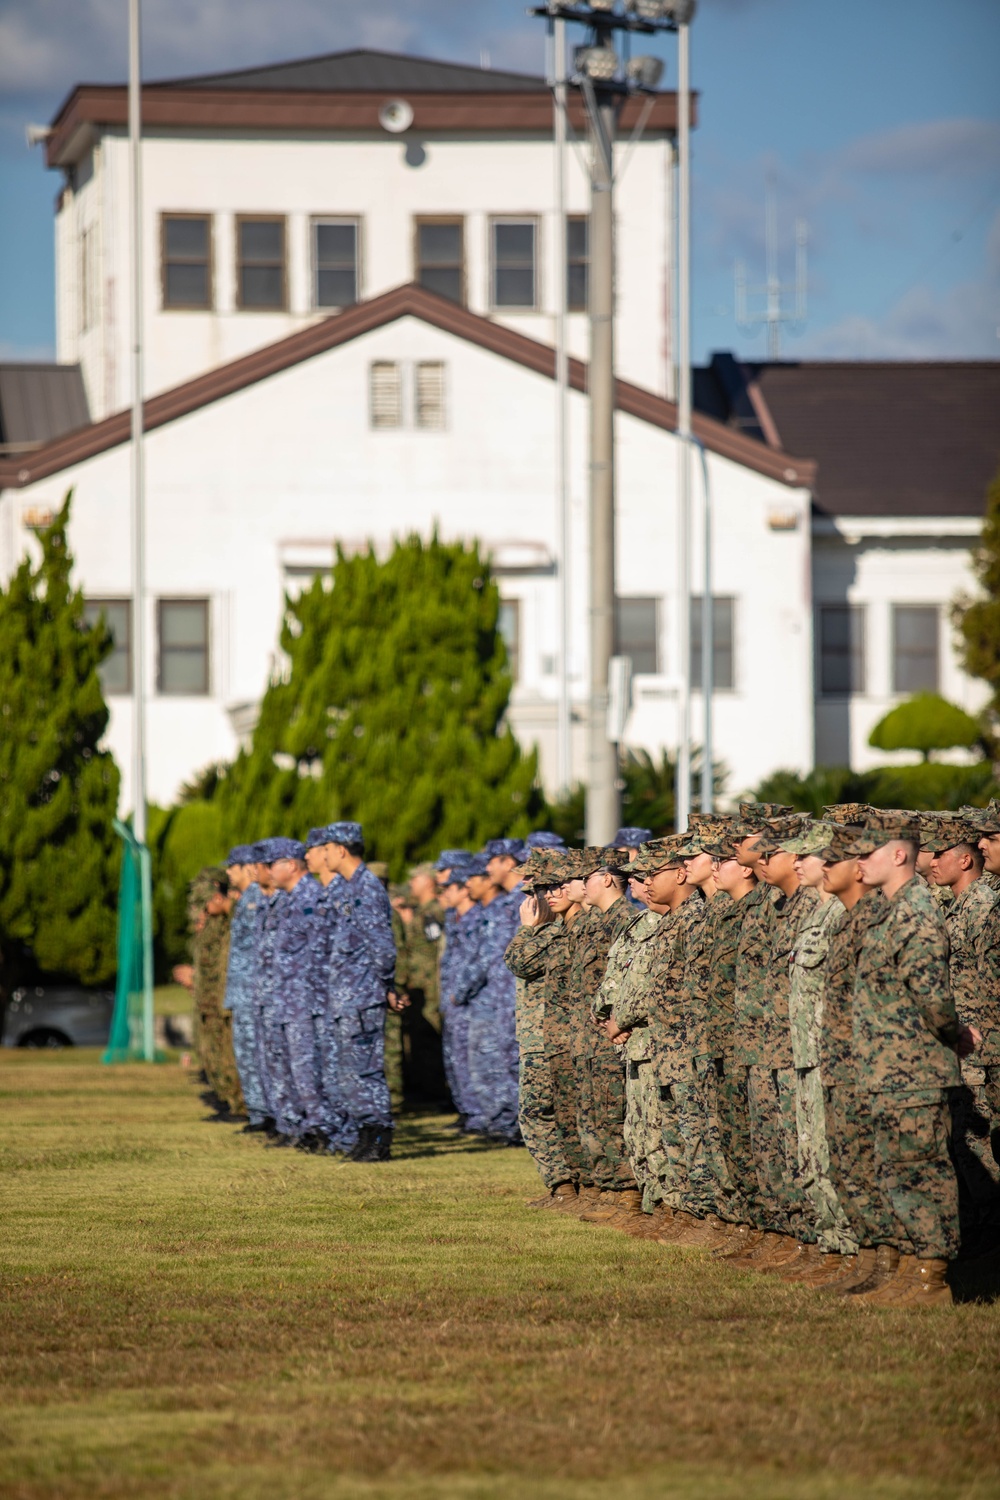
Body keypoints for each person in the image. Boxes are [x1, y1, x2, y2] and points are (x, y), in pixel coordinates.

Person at [843, 810, 962, 1305]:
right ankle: (911, 1270)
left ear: (898, 854)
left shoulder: (915, 910)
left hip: (914, 1069)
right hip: (887, 1069)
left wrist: (957, 1034)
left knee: (921, 1171)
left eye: (867, 852)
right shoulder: (889, 910)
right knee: (896, 1172)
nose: (858, 861)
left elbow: (932, 996)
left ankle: (931, 1278)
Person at [924, 814, 1000, 1234]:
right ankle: (979, 1226)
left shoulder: (982, 907)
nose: (932, 861)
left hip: (982, 1047)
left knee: (979, 1140)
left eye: (940, 854)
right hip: (962, 1045)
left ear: (965, 861)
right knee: (962, 1138)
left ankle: (990, 1229)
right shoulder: (958, 906)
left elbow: (991, 982)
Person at [323, 822, 400, 1162]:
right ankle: (364, 1133)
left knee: (365, 1069)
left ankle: (378, 1137)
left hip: (362, 994)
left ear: (341, 849)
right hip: (347, 994)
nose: (324, 854)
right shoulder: (349, 887)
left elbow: (382, 947)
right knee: (351, 1070)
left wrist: (384, 984)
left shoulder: (367, 887)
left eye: (327, 848)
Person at [223, 845, 270, 1133]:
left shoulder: (255, 899)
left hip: (253, 992)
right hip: (244, 991)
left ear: (247, 867)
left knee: (256, 1054)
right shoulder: (246, 900)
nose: (228, 872)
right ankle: (258, 1113)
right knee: (247, 1055)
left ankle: (264, 1113)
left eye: (232, 866)